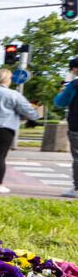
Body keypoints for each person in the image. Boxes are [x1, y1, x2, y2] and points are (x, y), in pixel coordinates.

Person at [54, 56, 78, 198]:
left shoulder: (74, 85)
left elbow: (60, 102)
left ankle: (77, 188)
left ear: (75, 68)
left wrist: (61, 92)